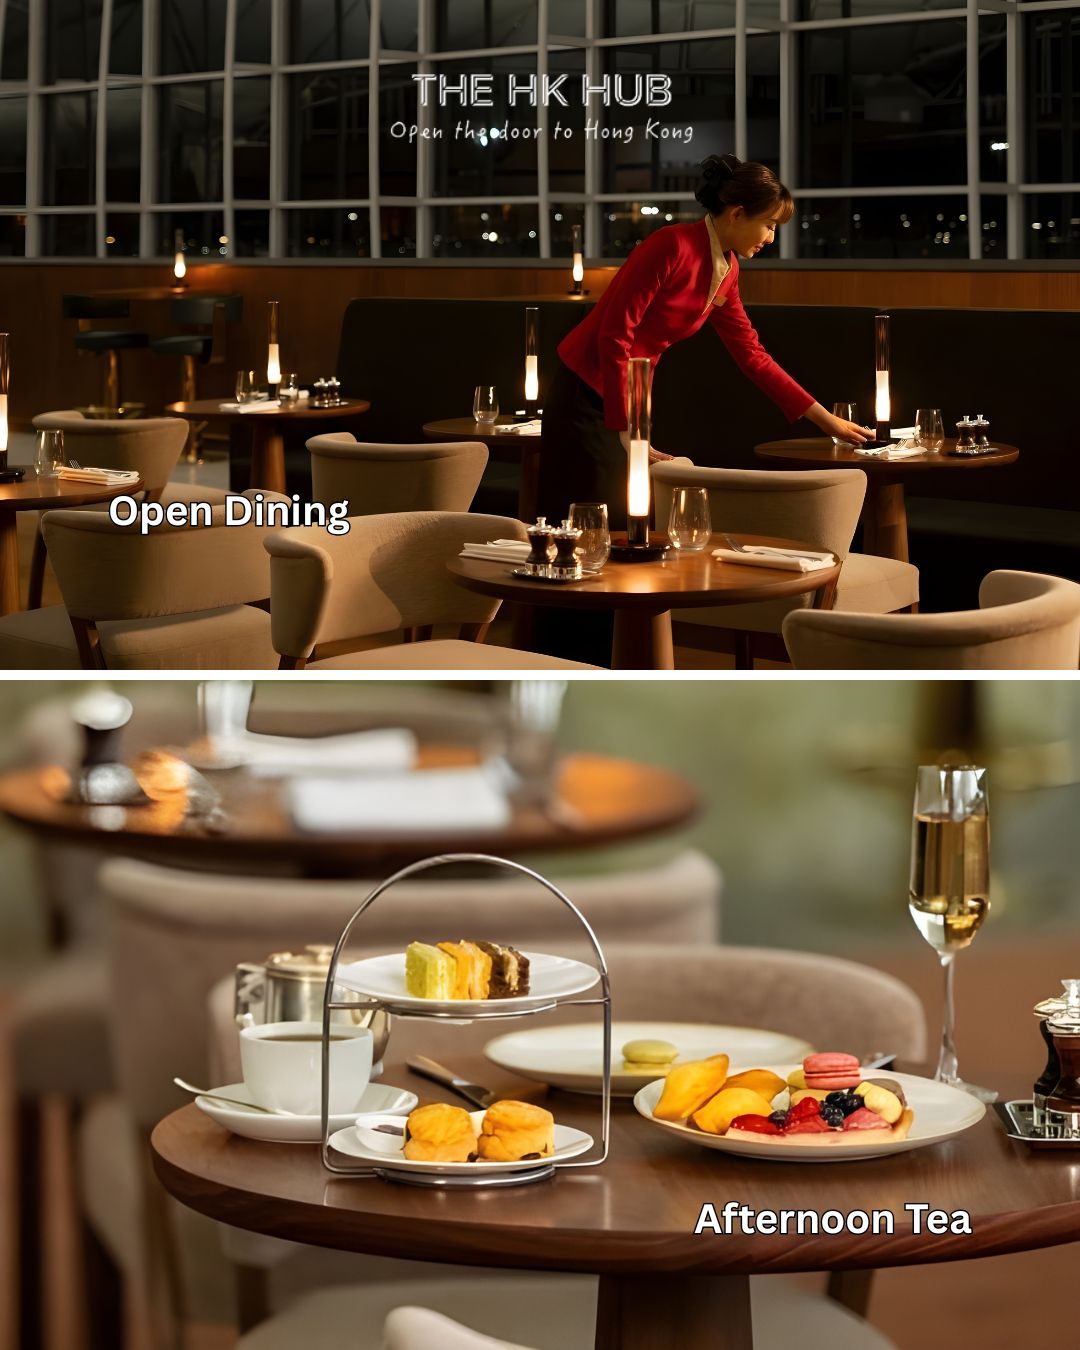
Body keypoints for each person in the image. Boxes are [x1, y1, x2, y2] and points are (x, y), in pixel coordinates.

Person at [538, 153, 871, 536]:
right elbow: (615, 334)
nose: (771, 238)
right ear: (737, 214)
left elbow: (752, 355)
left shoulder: (728, 270)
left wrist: (826, 420)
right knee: (586, 520)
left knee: (624, 522)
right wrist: (627, 427)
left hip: (629, 399)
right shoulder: (671, 245)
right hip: (585, 391)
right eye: (768, 225)